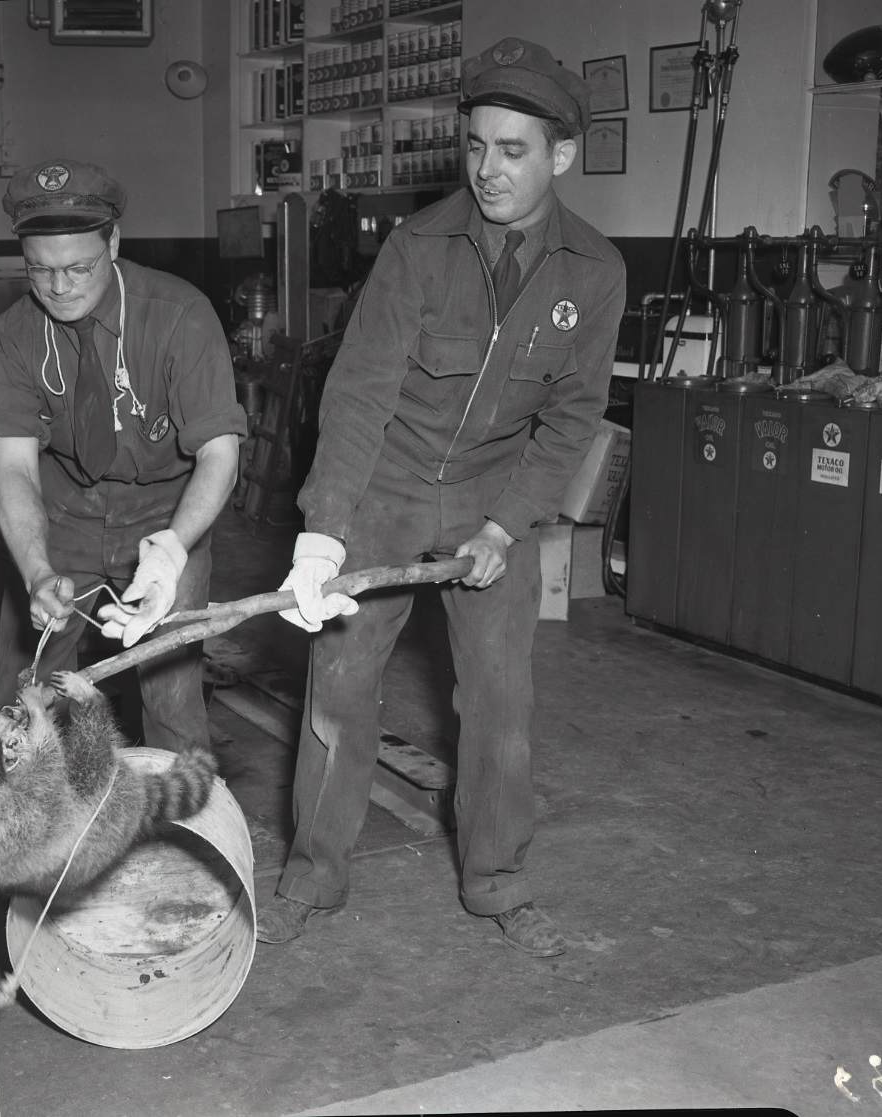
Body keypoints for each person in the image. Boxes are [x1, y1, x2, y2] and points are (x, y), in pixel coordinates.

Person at [257, 38, 626, 955]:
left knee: (501, 701)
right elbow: (359, 393)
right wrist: (323, 535)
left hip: (491, 498)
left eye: (512, 150)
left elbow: (571, 419)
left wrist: (510, 523)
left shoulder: (595, 270)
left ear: (560, 156)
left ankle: (497, 884)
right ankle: (312, 875)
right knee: (338, 687)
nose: (487, 169)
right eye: (474, 146)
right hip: (385, 487)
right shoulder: (419, 249)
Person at [0, 158, 248, 753]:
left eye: (79, 266)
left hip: (165, 516)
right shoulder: (9, 337)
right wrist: (37, 571)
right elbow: (14, 468)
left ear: (114, 243)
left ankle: (183, 843)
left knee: (172, 696)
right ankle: (26, 841)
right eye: (40, 270)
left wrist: (173, 552)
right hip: (62, 516)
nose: (60, 286)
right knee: (23, 699)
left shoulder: (179, 315)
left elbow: (219, 455)